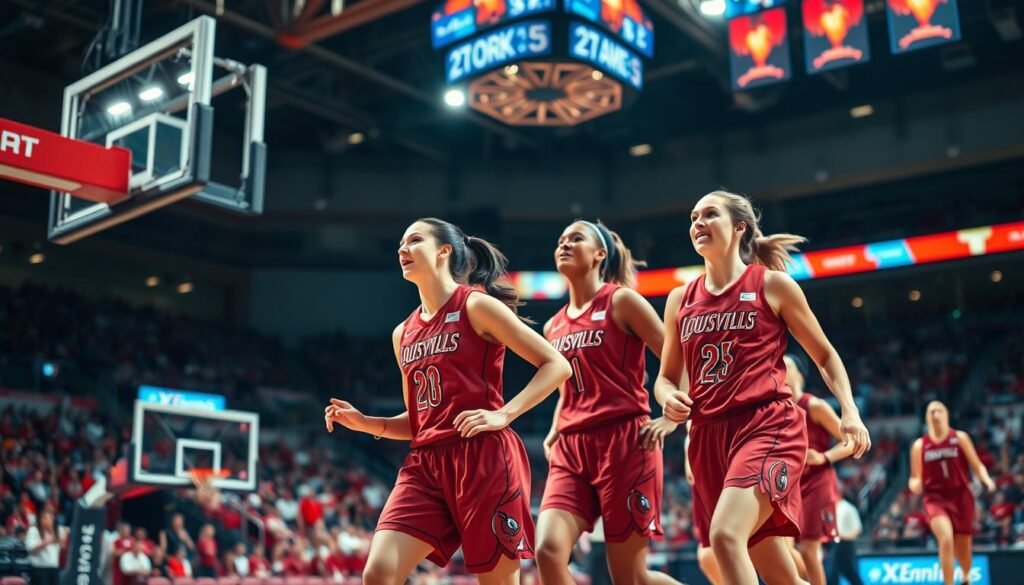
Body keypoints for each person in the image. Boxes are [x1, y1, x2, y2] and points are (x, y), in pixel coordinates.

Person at [325, 218, 572, 585]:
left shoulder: (476, 306)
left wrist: (504, 414)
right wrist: (366, 423)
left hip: (483, 456)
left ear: (443, 251)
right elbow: (418, 420)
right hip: (425, 465)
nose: (402, 249)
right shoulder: (402, 333)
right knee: (378, 573)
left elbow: (557, 365)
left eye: (414, 241)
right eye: (400, 244)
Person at [655, 191, 871, 585]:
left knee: (724, 537)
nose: (697, 223)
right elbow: (666, 378)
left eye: (709, 214)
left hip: (766, 426)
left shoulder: (773, 286)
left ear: (739, 227)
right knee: (779, 574)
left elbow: (825, 356)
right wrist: (669, 397)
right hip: (708, 436)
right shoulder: (678, 300)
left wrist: (850, 413)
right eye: (693, 216)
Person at [535, 220, 679, 585]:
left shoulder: (622, 301)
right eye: (561, 239)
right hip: (571, 447)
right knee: (547, 552)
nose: (564, 244)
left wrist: (672, 416)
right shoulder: (551, 327)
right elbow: (566, 385)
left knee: (630, 578)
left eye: (576, 239)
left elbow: (676, 358)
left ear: (600, 253)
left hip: (626, 442)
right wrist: (555, 428)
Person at [908, 401, 995, 585]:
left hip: (962, 497)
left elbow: (977, 464)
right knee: (946, 538)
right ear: (927, 417)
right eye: (931, 411)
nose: (935, 414)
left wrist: (986, 479)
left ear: (946, 414)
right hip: (935, 499)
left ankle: (966, 574)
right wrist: (914, 484)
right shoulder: (919, 445)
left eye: (939, 410)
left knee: (963, 550)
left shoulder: (960, 437)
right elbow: (915, 477)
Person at [786, 354, 855, 585]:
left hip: (817, 482)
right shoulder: (775, 410)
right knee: (780, 549)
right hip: (788, 485)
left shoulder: (814, 405)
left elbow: (850, 442)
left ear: (800, 374)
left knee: (807, 549)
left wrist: (824, 456)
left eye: (785, 367)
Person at [826, 497, 864, 585]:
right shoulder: (829, 508)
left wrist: (843, 536)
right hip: (833, 544)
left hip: (846, 545)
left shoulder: (848, 508)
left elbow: (857, 530)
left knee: (850, 572)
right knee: (832, 573)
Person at [24, 510, 63, 585]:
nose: (52, 521)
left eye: (52, 518)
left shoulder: (56, 531)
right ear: (42, 520)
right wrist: (45, 543)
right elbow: (30, 549)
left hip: (54, 568)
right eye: (49, 518)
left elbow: (61, 548)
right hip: (40, 569)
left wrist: (62, 541)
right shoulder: (33, 531)